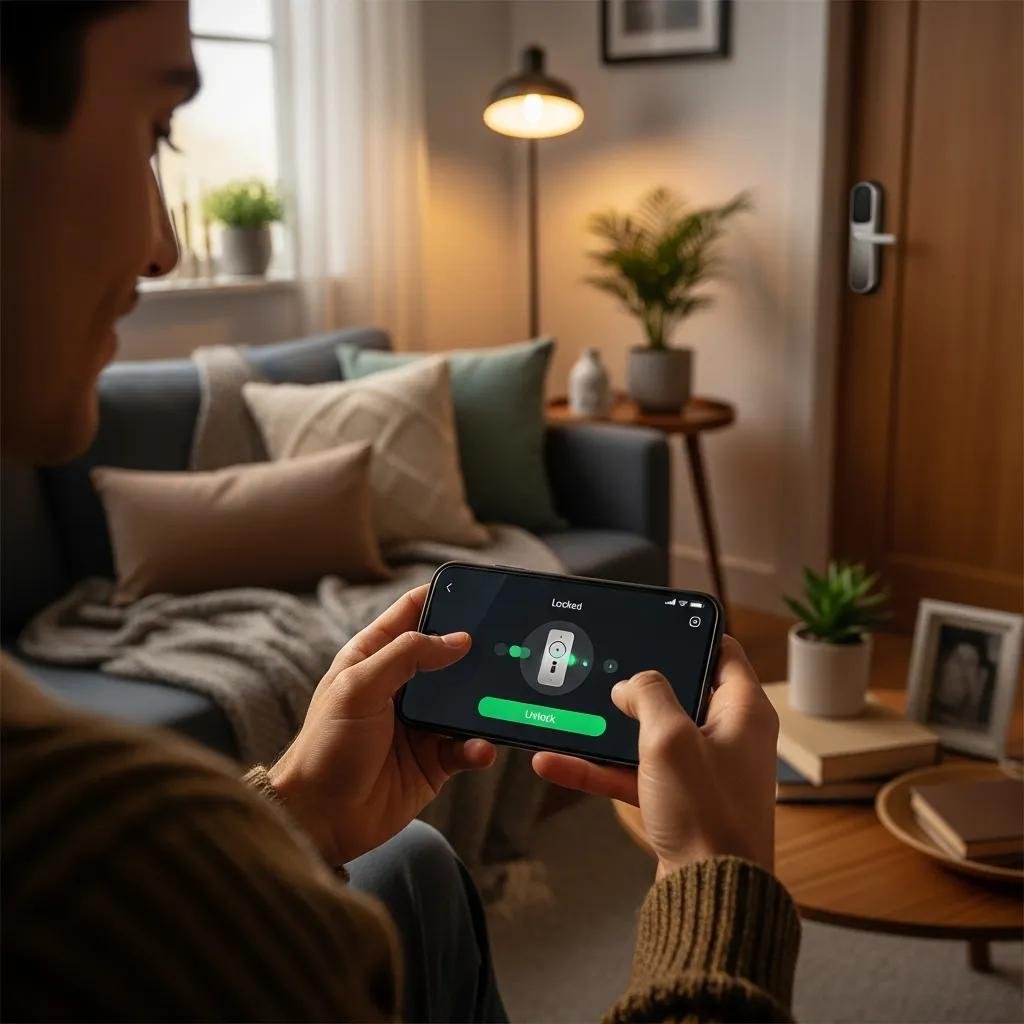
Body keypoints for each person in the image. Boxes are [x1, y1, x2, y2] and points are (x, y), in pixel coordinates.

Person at [0, 2, 800, 1021]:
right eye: (156, 132)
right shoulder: (107, 858)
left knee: (414, 858)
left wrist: (293, 809)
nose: (163, 246)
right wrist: (720, 888)